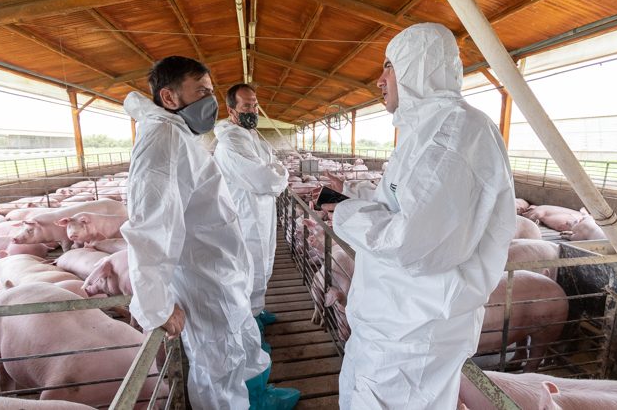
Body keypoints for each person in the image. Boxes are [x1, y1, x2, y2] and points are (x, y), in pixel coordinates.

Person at [331, 23, 516, 409]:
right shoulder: (426, 130)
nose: (379, 80)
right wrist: (352, 194)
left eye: (389, 67)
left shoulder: (454, 131)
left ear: (417, 67)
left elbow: (413, 241)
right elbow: (402, 201)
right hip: (391, 323)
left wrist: (344, 211)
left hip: (414, 335)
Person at [120, 56, 299, 410]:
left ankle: (258, 397)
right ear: (169, 97)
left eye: (211, 91)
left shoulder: (178, 135)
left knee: (242, 340)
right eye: (201, 91)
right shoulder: (161, 144)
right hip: (202, 277)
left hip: (221, 268)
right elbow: (149, 229)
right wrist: (156, 307)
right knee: (219, 362)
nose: (210, 101)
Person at [212, 84, 289, 341]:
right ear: (231, 110)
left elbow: (271, 167)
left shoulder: (252, 137)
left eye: (254, 104)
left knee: (264, 262)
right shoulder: (231, 143)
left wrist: (275, 172)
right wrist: (280, 175)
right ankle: (248, 328)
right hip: (244, 216)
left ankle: (257, 309)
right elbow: (265, 177)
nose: (253, 110)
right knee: (247, 269)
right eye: (246, 105)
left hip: (263, 213)